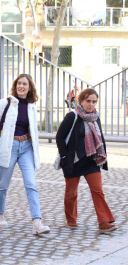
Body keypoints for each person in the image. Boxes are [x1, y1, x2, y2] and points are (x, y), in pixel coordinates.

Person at [0, 74, 50, 235]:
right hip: (9, 147)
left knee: (31, 184)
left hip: (27, 146)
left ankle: (37, 222)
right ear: (15, 86)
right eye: (19, 83)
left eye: (25, 84)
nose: (21, 86)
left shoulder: (32, 105)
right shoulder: (5, 103)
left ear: (30, 88)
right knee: (3, 185)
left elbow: (33, 131)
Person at [56, 88, 117, 233]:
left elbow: (100, 137)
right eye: (88, 101)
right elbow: (59, 137)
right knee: (71, 193)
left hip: (91, 160)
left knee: (98, 191)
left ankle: (103, 222)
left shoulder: (96, 117)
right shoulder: (73, 116)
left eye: (94, 101)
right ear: (81, 101)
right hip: (74, 160)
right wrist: (64, 157)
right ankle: (71, 219)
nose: (91, 104)